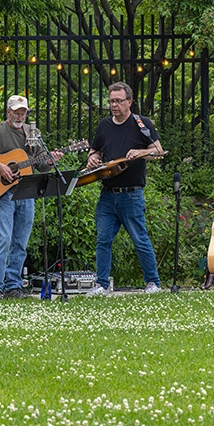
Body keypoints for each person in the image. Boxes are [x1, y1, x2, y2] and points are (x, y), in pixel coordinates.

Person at [0, 95, 63, 299]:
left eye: (23, 112)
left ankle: (13, 286)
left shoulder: (32, 133)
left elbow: (39, 164)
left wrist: (51, 160)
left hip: (26, 193)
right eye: (17, 111)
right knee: (3, 239)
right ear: (8, 111)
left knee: (20, 242)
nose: (20, 115)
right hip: (3, 194)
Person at [86, 82, 164, 295]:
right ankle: (102, 285)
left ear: (129, 102)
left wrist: (139, 152)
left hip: (131, 194)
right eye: (111, 101)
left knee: (139, 238)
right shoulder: (104, 125)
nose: (114, 105)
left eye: (119, 101)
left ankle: (153, 283)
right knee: (103, 239)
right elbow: (94, 151)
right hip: (108, 194)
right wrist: (93, 159)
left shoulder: (141, 123)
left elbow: (158, 151)